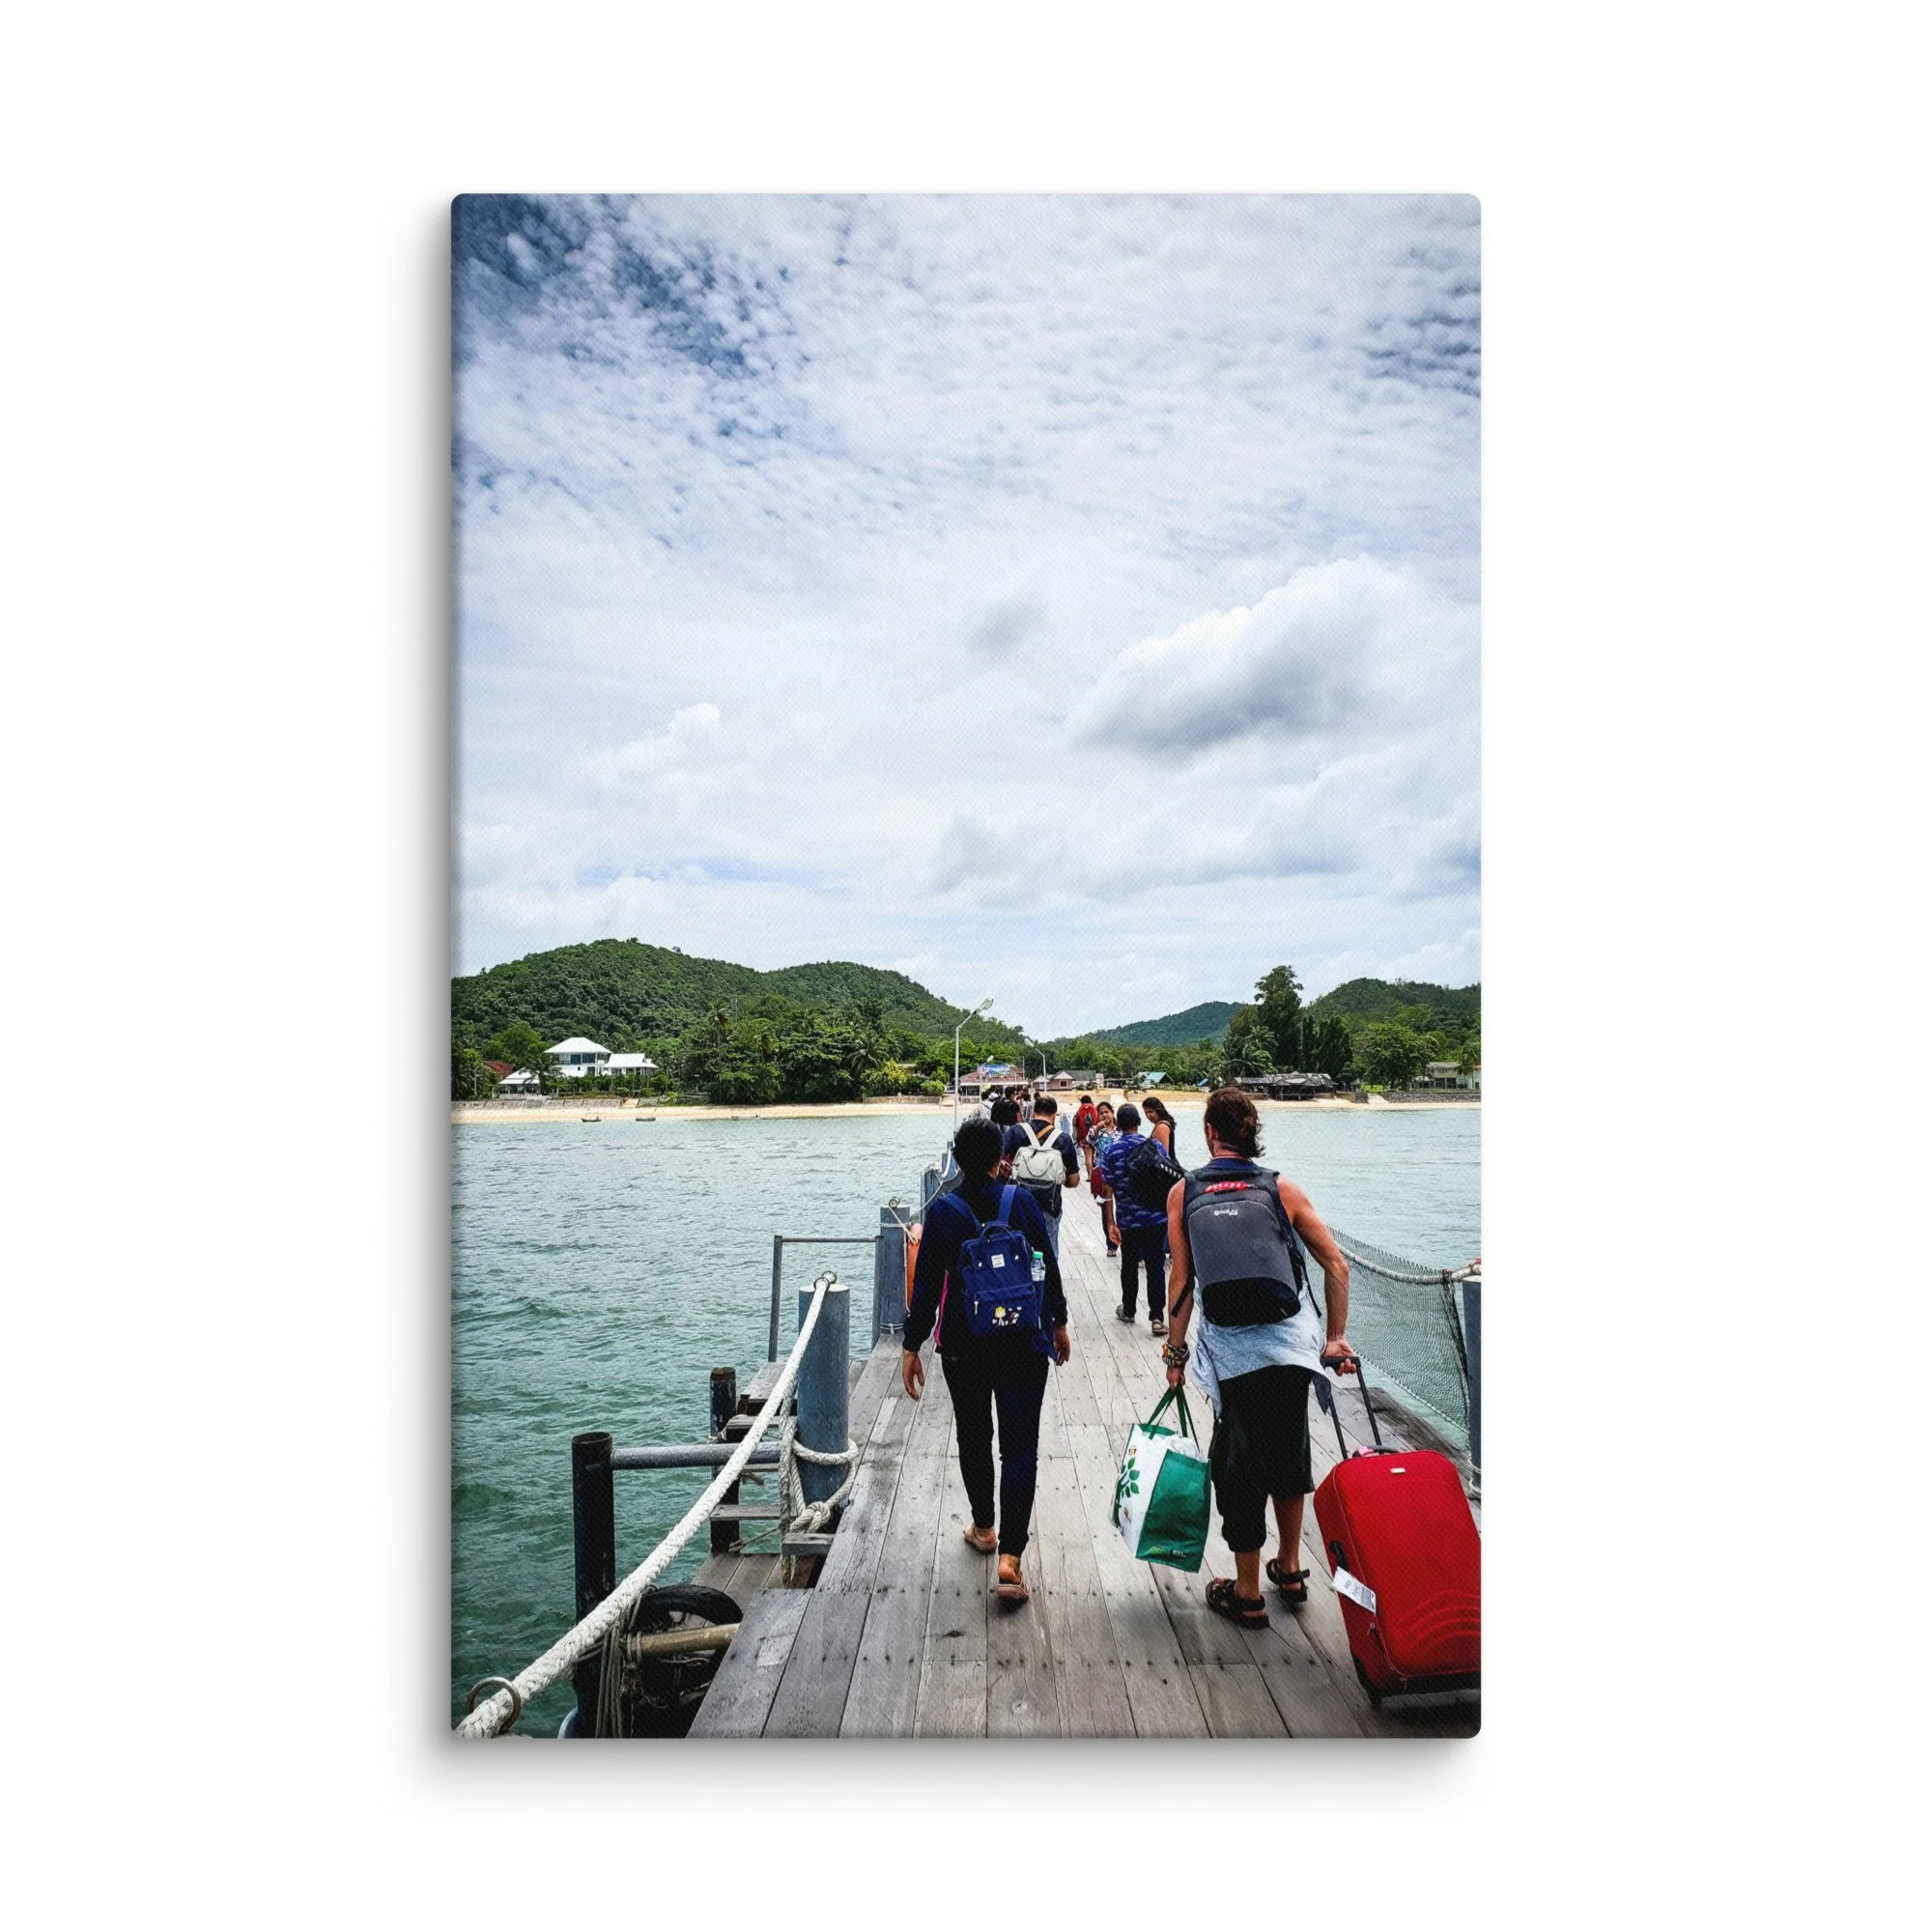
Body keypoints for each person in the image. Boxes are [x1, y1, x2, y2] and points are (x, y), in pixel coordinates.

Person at [1161, 1086, 1355, 1629]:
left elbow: (1181, 1281)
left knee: (1238, 1471)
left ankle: (1247, 1594)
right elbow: (1336, 1266)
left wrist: (1176, 1354)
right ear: (1253, 1134)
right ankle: (1290, 1568)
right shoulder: (1280, 1188)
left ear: (1208, 1133)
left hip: (1233, 1357)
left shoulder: (1183, 1194)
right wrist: (1335, 1339)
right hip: (1292, 1351)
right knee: (1289, 1455)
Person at [902, 1114, 1072, 1605]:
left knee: (974, 1436)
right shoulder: (1020, 1201)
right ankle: (1012, 1561)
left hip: (963, 1345)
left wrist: (912, 1346)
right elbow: (1045, 1264)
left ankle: (983, 1527)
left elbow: (928, 1288)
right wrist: (1057, 1322)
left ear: (956, 1159)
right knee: (1020, 1448)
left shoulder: (943, 1211)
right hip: (1023, 1342)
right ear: (1002, 1157)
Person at [1097, 1101, 1169, 1336]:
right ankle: (1157, 1317)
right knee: (1155, 1266)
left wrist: (1110, 1222)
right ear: (1139, 1123)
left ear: (1117, 1123)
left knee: (1129, 1264)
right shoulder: (1155, 1146)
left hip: (1127, 1218)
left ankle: (1128, 1309)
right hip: (1156, 1218)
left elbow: (1107, 1190)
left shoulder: (1111, 1150)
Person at [1008, 1092, 1081, 1259]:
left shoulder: (1016, 1132)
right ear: (1054, 1115)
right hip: (1050, 1205)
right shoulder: (1063, 1139)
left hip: (1017, 1203)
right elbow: (1074, 1181)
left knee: (1018, 1249)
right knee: (1048, 1250)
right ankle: (1049, 1282)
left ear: (1033, 1113)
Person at [1086, 1098, 1122, 1255]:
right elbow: (1088, 1142)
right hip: (1101, 1173)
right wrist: (1097, 1131)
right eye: (1101, 1113)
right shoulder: (1095, 1130)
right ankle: (1111, 1244)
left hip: (1120, 1173)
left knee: (1121, 1206)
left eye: (1107, 1112)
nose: (1104, 1115)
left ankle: (1124, 1239)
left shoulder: (1121, 1130)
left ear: (1113, 1113)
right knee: (1106, 1209)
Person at [1143, 1094, 1179, 1163]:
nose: (1148, 1115)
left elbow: (1163, 1156)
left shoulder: (1162, 1127)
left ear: (1158, 1110)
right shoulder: (1162, 1125)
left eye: (1151, 1112)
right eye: (1146, 1112)